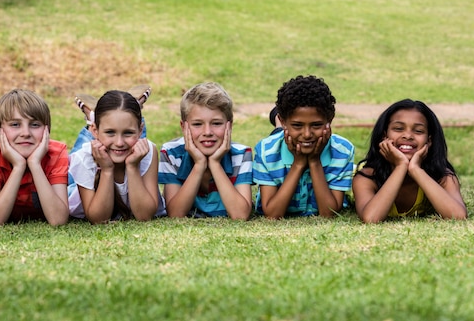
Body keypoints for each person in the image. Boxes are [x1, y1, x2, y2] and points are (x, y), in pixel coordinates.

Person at [253, 75, 355, 218]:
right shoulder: (265, 151)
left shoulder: (343, 151)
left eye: (316, 125)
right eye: (297, 125)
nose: (307, 134)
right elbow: (272, 214)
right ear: (283, 121)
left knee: (295, 137)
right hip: (280, 139)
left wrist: (314, 161)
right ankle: (278, 126)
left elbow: (329, 213)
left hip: (293, 139)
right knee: (278, 138)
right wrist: (298, 163)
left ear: (330, 120)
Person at [352, 99, 467, 223]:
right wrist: (400, 166)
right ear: (384, 136)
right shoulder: (367, 177)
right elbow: (371, 219)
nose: (408, 135)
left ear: (429, 140)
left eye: (418, 131)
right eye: (398, 128)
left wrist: (415, 170)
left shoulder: (442, 176)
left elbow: (458, 216)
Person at [68, 90, 166, 223]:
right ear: (95, 131)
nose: (119, 143)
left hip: (119, 142)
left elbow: (144, 215)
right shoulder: (83, 158)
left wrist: (132, 167)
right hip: (80, 180)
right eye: (110, 132)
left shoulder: (148, 152)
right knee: (74, 160)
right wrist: (107, 170)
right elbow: (99, 219)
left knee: (125, 134)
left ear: (141, 131)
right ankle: (90, 117)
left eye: (128, 133)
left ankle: (104, 117)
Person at [159, 82, 253, 220]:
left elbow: (240, 215)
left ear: (230, 125)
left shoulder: (241, 155)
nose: (207, 132)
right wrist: (199, 165)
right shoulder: (171, 153)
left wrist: (215, 164)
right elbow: (175, 214)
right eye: (197, 124)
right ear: (183, 126)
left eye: (216, 123)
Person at [0, 89, 69, 226]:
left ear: (47, 130)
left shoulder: (56, 152)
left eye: (35, 125)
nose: (25, 133)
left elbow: (58, 220)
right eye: (15, 124)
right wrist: (18, 166)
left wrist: (35, 164)